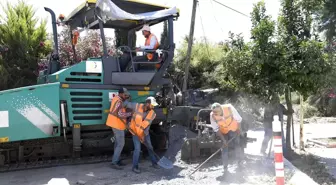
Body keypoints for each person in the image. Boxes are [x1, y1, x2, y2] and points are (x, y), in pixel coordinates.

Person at [124, 97, 160, 173]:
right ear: (147, 103)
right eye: (152, 105)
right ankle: (135, 167)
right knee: (137, 149)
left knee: (150, 147)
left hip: (144, 133)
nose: (153, 107)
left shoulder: (152, 114)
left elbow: (147, 126)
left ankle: (154, 163)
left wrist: (143, 135)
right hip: (135, 133)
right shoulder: (136, 106)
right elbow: (126, 104)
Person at [210, 102, 243, 174]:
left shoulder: (229, 108)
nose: (215, 114)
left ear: (221, 109)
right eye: (214, 113)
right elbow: (216, 129)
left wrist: (239, 129)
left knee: (237, 145)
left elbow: (239, 119)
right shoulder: (212, 116)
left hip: (234, 129)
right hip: (223, 131)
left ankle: (240, 163)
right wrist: (223, 139)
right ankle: (225, 168)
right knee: (224, 148)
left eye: (217, 113)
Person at [106, 87, 132, 170]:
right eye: (125, 94)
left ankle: (116, 160)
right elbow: (120, 114)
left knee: (117, 143)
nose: (126, 96)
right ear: (120, 94)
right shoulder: (119, 101)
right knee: (121, 144)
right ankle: (114, 162)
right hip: (117, 125)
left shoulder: (116, 99)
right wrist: (130, 113)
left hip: (116, 124)